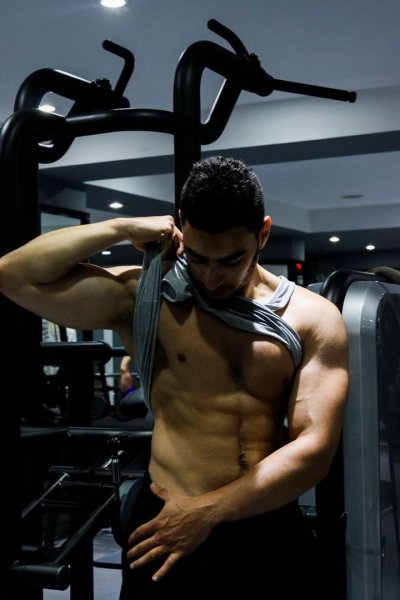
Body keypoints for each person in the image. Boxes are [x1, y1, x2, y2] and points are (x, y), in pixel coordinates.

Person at [0, 156, 349, 598]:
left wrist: (205, 512)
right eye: (199, 259)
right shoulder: (145, 297)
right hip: (164, 523)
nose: (212, 278)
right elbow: (13, 276)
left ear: (262, 233)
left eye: (231, 260)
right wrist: (121, 227)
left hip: (264, 522)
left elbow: (314, 450)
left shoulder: (312, 317)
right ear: (182, 225)